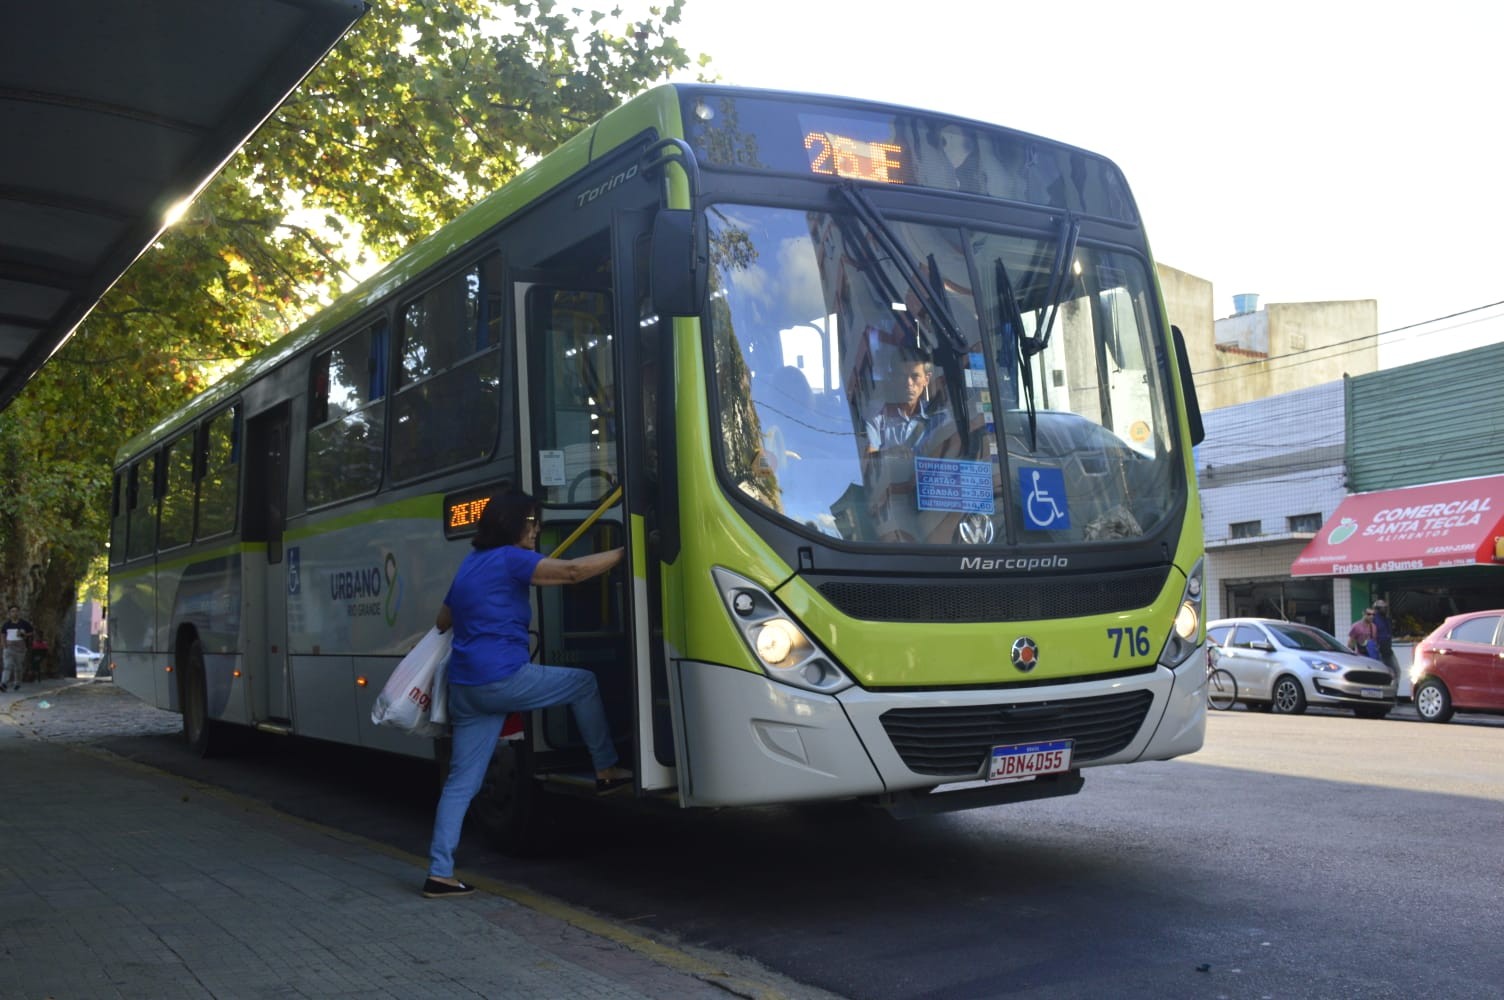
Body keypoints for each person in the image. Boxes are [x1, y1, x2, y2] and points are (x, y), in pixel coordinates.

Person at [423, 489, 630, 898]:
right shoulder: (510, 558)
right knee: (583, 683)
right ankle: (606, 769)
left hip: (465, 688)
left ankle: (439, 873)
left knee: (461, 783)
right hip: (501, 679)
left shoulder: (471, 563)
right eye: (532, 522)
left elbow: (443, 620)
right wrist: (627, 552)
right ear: (511, 524)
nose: (536, 530)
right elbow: (573, 572)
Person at [0, 605, 34, 692]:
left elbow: (31, 632)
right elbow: (3, 635)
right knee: (7, 666)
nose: (15, 613)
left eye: (16, 611)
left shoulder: (24, 624)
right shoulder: (6, 624)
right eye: (12, 611)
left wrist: (25, 634)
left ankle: (17, 683)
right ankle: (4, 683)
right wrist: (4, 645)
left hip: (20, 649)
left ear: (19, 612)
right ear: (9, 613)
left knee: (18, 667)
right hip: (9, 648)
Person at [1371, 599, 1399, 672]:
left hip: (1387, 648)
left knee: (1395, 670)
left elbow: (1388, 632)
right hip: (1379, 649)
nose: (1385, 609)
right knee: (1384, 670)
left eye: (1385, 608)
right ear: (1378, 609)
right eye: (1383, 608)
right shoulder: (1374, 619)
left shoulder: (1387, 619)